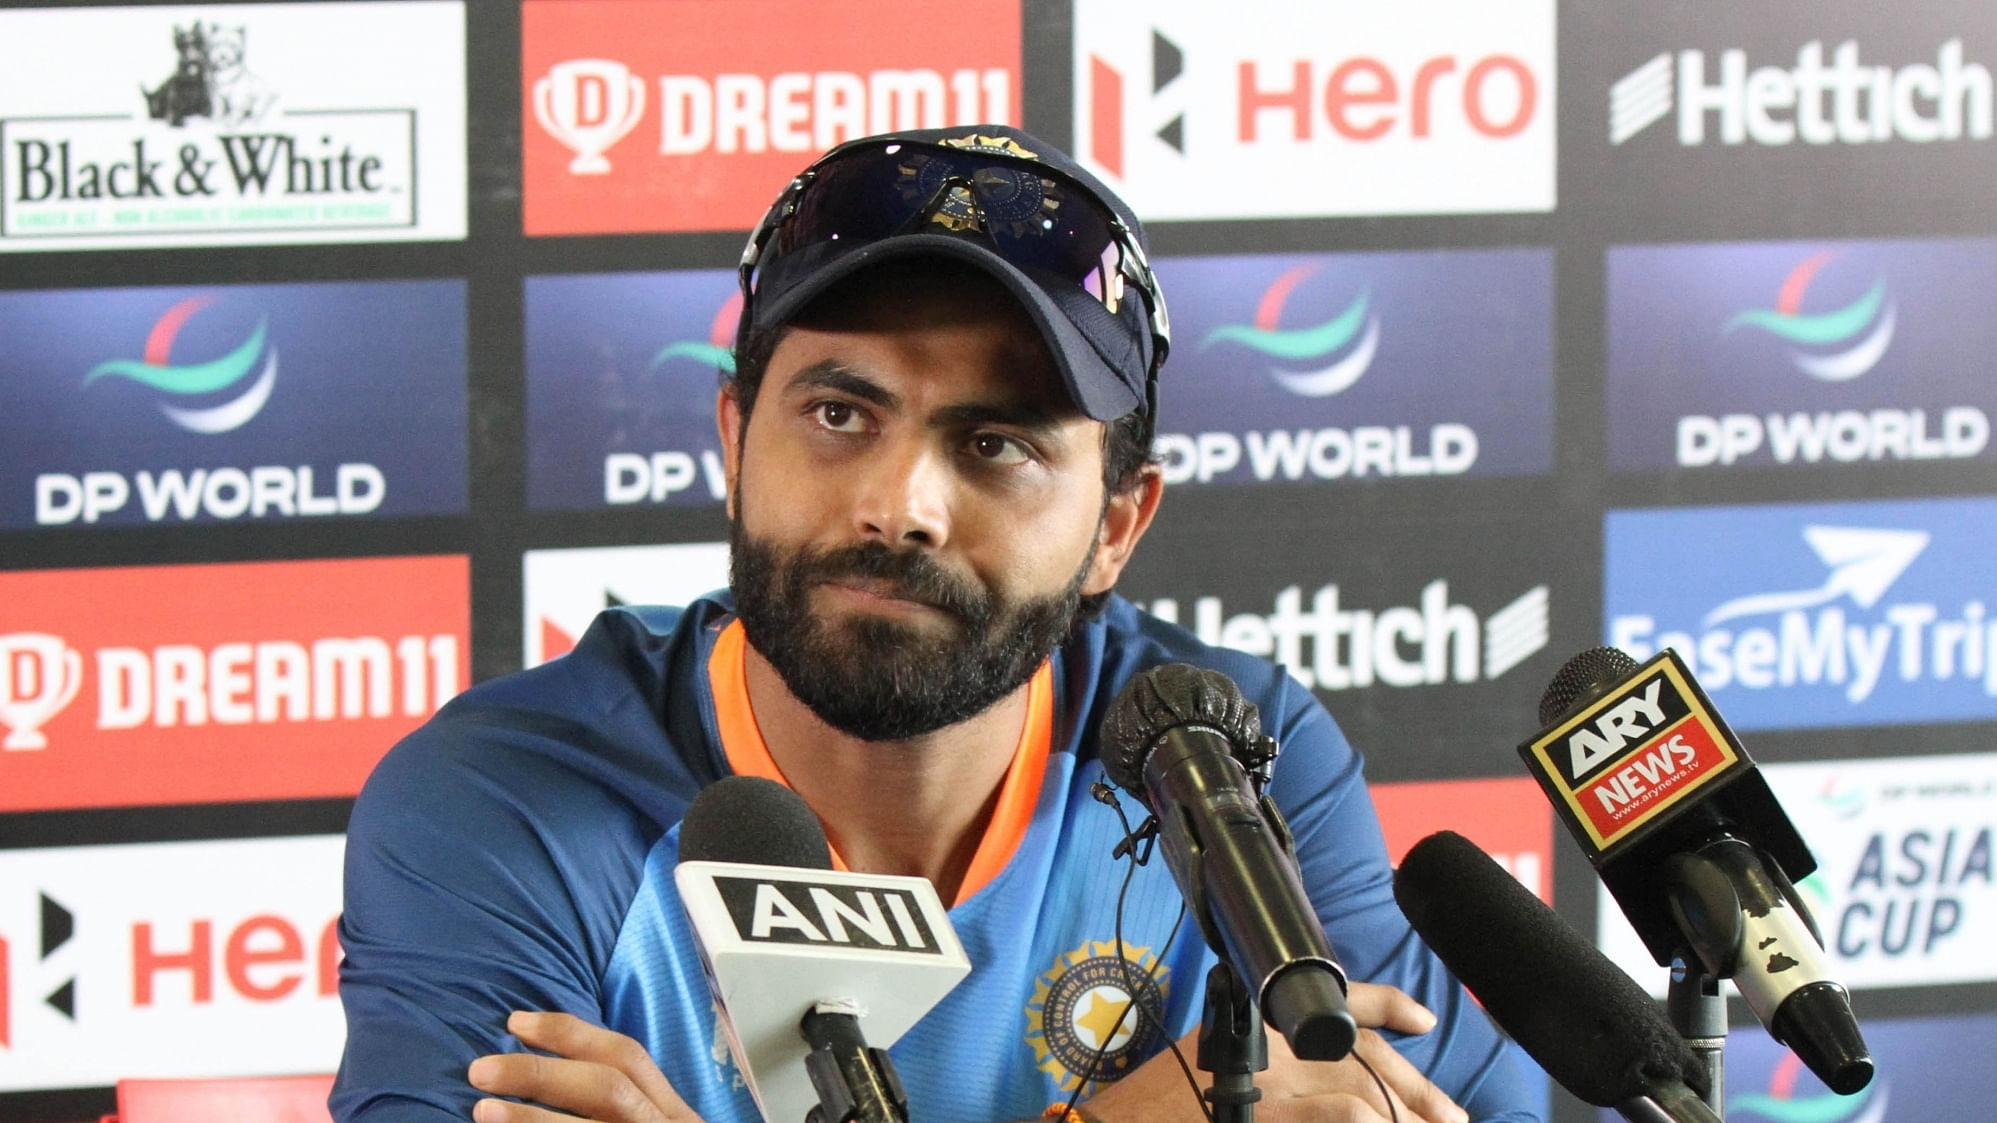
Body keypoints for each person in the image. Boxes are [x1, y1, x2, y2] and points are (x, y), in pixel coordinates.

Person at [332, 125, 1541, 1123]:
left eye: (995, 444)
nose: (898, 505)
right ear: (731, 442)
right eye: (841, 414)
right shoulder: (508, 795)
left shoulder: (1217, 752)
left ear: (1117, 524)